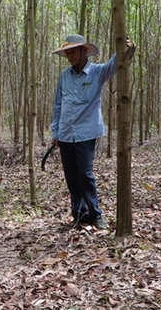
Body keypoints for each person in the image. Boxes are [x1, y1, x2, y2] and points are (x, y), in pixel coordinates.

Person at [50, 34, 133, 230]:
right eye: (67, 52)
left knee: (85, 174)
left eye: (73, 51)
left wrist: (127, 48)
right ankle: (78, 214)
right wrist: (55, 132)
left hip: (86, 132)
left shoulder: (97, 72)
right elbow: (58, 105)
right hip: (65, 133)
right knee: (71, 176)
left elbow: (114, 65)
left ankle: (94, 214)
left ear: (84, 51)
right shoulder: (64, 76)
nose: (69, 55)